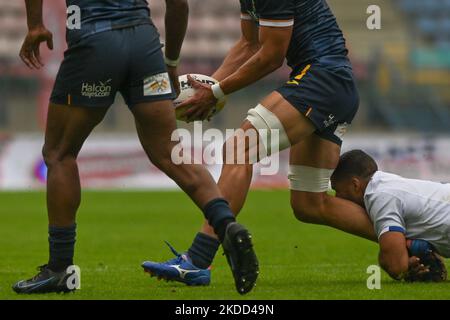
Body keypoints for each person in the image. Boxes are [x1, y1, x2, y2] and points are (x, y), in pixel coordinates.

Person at [13, 0, 258, 295]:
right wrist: (170, 62)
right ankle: (227, 225)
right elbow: (178, 4)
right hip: (144, 44)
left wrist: (35, 25)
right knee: (169, 152)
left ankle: (60, 269)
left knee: (59, 153)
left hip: (96, 41)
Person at [143, 0, 377, 285]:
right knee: (309, 204)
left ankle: (197, 259)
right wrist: (207, 88)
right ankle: (409, 242)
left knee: (240, 147)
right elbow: (249, 43)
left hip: (321, 80)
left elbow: (271, 56)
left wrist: (216, 92)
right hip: (333, 84)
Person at [331, 149, 448, 282]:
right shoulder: (385, 183)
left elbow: (395, 265)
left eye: (337, 190)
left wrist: (399, 264)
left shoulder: (379, 197)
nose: (336, 197)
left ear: (355, 185)